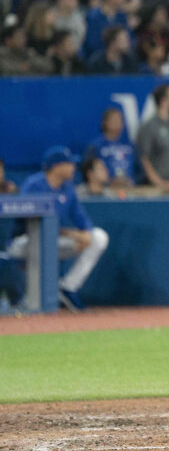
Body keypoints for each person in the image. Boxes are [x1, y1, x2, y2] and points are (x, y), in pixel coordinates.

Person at [6, 146, 109, 311]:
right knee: (39, 238)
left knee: (99, 237)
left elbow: (82, 220)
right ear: (57, 166)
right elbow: (28, 223)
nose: (73, 167)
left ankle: (68, 288)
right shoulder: (34, 185)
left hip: (52, 243)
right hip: (23, 243)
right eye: (69, 163)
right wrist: (72, 234)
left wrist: (86, 234)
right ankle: (32, 298)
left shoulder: (68, 188)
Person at [85, 107, 135, 188]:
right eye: (114, 120)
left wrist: (133, 181)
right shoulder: (96, 146)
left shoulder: (129, 145)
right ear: (105, 122)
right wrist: (108, 182)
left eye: (120, 120)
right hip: (105, 191)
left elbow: (139, 170)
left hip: (130, 190)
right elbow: (87, 171)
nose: (117, 122)